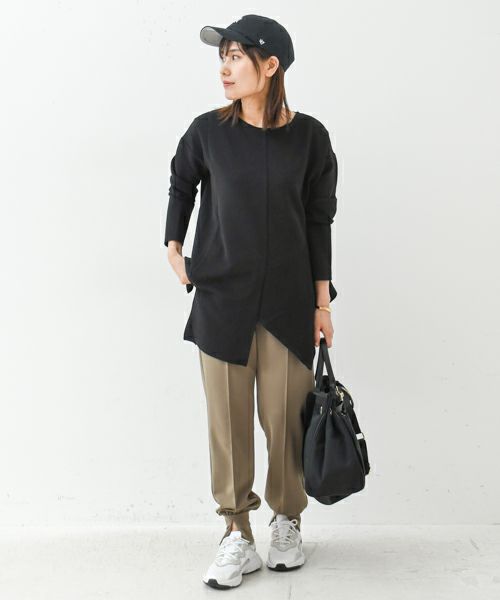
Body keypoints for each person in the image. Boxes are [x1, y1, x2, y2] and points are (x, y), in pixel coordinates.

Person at [165, 14, 339, 589]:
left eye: (237, 56)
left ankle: (286, 523)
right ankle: (236, 532)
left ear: (271, 66)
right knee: (229, 424)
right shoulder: (207, 132)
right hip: (222, 299)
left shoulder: (310, 138)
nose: (225, 67)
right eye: (223, 56)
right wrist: (174, 246)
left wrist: (322, 304)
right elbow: (182, 180)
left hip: (289, 304)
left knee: (285, 422)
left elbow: (318, 220)